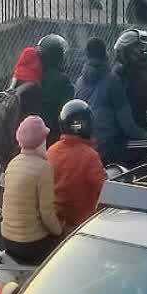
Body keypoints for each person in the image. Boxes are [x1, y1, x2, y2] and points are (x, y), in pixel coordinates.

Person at [75, 36, 147, 165]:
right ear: (106, 55)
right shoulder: (113, 81)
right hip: (109, 146)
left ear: (87, 55)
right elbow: (128, 126)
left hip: (86, 146)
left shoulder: (79, 82)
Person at [0, 115, 62, 263]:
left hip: (7, 240)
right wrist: (60, 231)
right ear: (41, 142)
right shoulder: (43, 168)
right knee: (63, 247)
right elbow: (47, 214)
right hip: (30, 244)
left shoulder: (13, 163)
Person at [48, 99, 107, 231]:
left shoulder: (51, 151)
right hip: (83, 226)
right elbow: (105, 190)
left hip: (57, 223)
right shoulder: (89, 156)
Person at [37, 33, 74, 145]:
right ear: (57, 56)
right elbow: (67, 112)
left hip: (35, 131)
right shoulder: (62, 80)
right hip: (55, 133)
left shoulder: (36, 76)